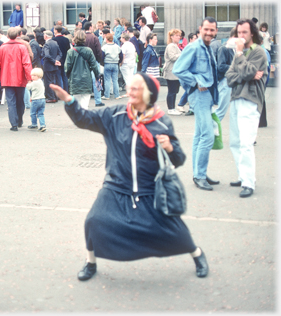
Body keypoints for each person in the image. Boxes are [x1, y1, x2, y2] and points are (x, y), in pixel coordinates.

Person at [49, 73, 209, 282]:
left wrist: (170, 147)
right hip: (116, 184)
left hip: (149, 188)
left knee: (172, 228)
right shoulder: (114, 115)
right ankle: (91, 262)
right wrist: (69, 101)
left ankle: (197, 254)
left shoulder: (161, 123)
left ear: (148, 93)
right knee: (94, 221)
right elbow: (84, 119)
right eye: (130, 88)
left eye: (135, 89)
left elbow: (178, 159)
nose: (129, 92)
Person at [173, 17, 220, 191]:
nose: (208, 32)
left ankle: (199, 173)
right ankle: (199, 176)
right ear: (200, 29)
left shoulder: (208, 48)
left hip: (207, 96)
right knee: (207, 136)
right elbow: (178, 69)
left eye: (212, 30)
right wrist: (196, 81)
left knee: (200, 135)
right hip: (199, 95)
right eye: (206, 29)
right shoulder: (193, 47)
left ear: (215, 31)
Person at [225, 19, 268, 198]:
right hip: (235, 98)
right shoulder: (239, 54)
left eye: (244, 32)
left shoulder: (258, 52)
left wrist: (241, 56)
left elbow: (249, 72)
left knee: (246, 143)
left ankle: (249, 183)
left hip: (250, 100)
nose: (240, 36)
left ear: (252, 33)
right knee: (235, 141)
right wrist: (245, 74)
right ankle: (243, 176)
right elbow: (229, 77)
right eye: (239, 32)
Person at [0, 27, 32, 131]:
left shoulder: (2, 48)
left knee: (11, 102)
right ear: (18, 35)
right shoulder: (22, 47)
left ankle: (14, 124)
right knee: (20, 101)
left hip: (6, 78)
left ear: (7, 35)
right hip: (20, 77)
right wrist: (29, 77)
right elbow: (26, 63)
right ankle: (19, 120)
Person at [64, 30, 100, 110]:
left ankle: (79, 120)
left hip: (74, 79)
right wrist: (97, 75)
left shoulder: (70, 52)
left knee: (76, 102)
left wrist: (68, 76)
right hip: (86, 78)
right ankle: (85, 120)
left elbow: (67, 67)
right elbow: (94, 65)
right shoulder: (89, 50)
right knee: (85, 102)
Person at [215, 28, 237, 121]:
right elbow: (221, 66)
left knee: (233, 109)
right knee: (221, 110)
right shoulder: (224, 48)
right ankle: (209, 130)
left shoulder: (234, 49)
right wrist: (235, 68)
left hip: (232, 80)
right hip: (225, 80)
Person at [83, 22, 104, 106]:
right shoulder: (94, 37)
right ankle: (98, 101)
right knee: (96, 81)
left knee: (85, 82)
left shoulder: (82, 37)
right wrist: (99, 60)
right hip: (94, 61)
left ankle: (85, 102)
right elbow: (99, 51)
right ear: (90, 27)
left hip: (84, 62)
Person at [163, 29, 183, 115]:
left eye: (179, 35)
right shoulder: (171, 46)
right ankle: (170, 108)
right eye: (177, 35)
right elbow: (172, 57)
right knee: (172, 90)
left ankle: (172, 108)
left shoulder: (175, 45)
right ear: (172, 37)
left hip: (174, 71)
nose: (179, 37)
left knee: (174, 90)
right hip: (171, 71)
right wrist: (182, 54)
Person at [178, 33, 198, 115]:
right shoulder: (189, 48)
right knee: (190, 90)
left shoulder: (194, 47)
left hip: (189, 73)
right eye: (195, 38)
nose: (196, 39)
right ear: (190, 39)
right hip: (187, 73)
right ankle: (188, 107)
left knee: (190, 90)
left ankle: (189, 107)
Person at [42, 30, 62, 103]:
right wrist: (56, 60)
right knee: (54, 81)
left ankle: (51, 97)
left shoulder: (47, 44)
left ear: (46, 36)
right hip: (54, 66)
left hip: (48, 65)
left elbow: (46, 55)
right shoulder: (55, 43)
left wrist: (54, 61)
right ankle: (55, 96)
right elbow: (60, 54)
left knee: (48, 82)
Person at [101, 33, 121, 100]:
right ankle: (117, 95)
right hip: (115, 63)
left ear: (106, 39)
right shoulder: (117, 46)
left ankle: (107, 95)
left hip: (107, 63)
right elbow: (120, 55)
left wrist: (102, 63)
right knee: (115, 80)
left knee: (107, 80)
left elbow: (102, 56)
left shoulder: (104, 47)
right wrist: (119, 62)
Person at [26, 68, 47, 132]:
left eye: (34, 75)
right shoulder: (41, 82)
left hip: (36, 100)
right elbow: (36, 91)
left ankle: (34, 124)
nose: (32, 77)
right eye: (32, 75)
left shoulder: (34, 83)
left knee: (33, 113)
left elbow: (28, 88)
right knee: (40, 113)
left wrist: (29, 83)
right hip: (42, 99)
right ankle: (42, 125)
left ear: (39, 76)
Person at [52, 25, 71, 93]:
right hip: (65, 59)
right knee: (65, 77)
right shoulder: (66, 39)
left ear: (56, 31)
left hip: (57, 60)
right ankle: (66, 91)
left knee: (58, 77)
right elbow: (68, 50)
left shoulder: (53, 40)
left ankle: (61, 92)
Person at [119, 33, 137, 98]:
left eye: (121, 38)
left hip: (126, 63)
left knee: (127, 78)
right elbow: (135, 53)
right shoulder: (132, 44)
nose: (120, 39)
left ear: (123, 38)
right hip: (132, 62)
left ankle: (129, 92)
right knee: (131, 77)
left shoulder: (124, 46)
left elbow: (123, 55)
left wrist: (121, 63)